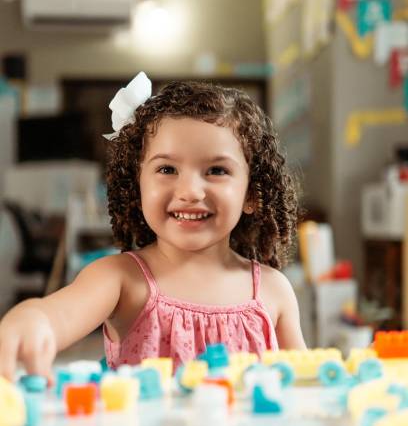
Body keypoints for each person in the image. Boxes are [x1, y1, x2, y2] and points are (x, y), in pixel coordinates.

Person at [0, 72, 306, 382]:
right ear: (138, 184)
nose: (189, 191)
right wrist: (33, 318)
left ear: (251, 193)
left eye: (216, 170)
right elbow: (58, 315)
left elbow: (305, 384)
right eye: (167, 169)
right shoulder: (120, 279)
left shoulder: (272, 290)